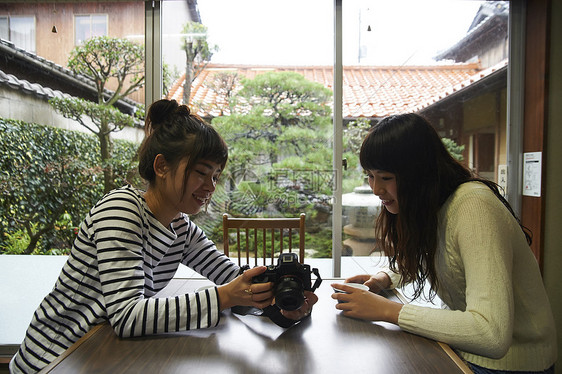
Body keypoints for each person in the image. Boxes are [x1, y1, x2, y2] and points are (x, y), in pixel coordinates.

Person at [10, 99, 317, 373]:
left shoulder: (180, 227)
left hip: (103, 357)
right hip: (55, 358)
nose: (210, 187)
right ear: (161, 166)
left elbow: (234, 278)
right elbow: (127, 316)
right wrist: (226, 296)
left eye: (215, 176)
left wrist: (280, 302)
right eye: (200, 172)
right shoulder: (121, 210)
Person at [332, 113, 556, 373]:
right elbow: (431, 254)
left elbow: (491, 334)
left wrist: (388, 311)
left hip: (511, 364)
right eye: (370, 176)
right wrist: (384, 278)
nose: (375, 189)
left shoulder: (474, 207)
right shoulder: (435, 204)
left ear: (417, 173)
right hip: (466, 351)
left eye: (385, 177)